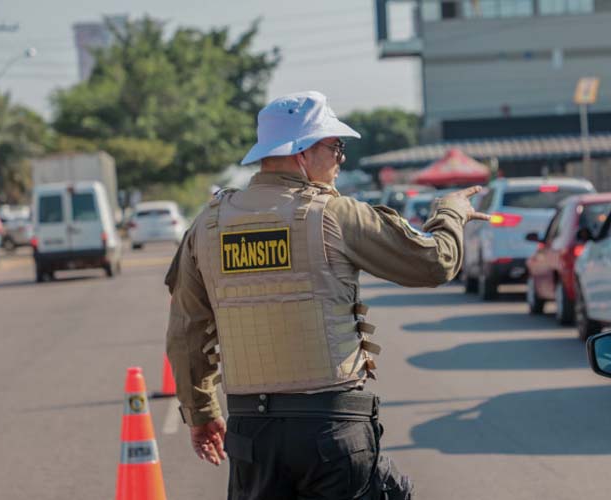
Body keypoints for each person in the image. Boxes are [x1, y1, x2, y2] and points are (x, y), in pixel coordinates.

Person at [165, 90, 489, 500]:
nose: (341, 160)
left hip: (253, 437)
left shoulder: (207, 226)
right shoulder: (334, 214)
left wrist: (202, 414)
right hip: (331, 433)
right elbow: (435, 262)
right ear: (302, 152)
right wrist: (450, 212)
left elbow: (186, 333)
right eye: (335, 147)